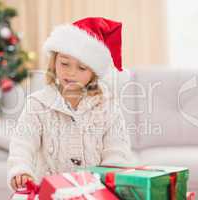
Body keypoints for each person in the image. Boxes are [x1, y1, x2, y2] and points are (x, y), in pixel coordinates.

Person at [7, 17, 134, 191]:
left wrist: (109, 182)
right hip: (50, 192)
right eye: (64, 63)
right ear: (54, 62)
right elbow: (22, 144)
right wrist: (21, 170)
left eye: (81, 68)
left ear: (94, 73)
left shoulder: (107, 106)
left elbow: (117, 150)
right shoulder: (38, 104)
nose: (71, 73)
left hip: (94, 192)